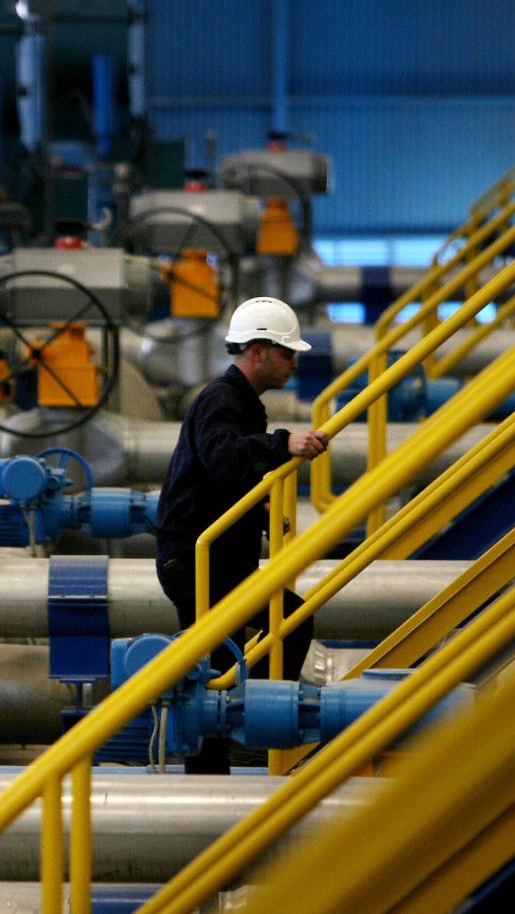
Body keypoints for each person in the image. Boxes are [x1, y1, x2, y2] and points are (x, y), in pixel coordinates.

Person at [154, 296, 329, 771]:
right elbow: (223, 457)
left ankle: (226, 755)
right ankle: (255, 732)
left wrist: (263, 507)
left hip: (216, 560)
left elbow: (225, 478)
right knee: (273, 630)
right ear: (258, 351)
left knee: (222, 661)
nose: (294, 362)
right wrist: (282, 444)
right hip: (196, 561)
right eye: (287, 352)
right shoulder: (222, 399)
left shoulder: (242, 404)